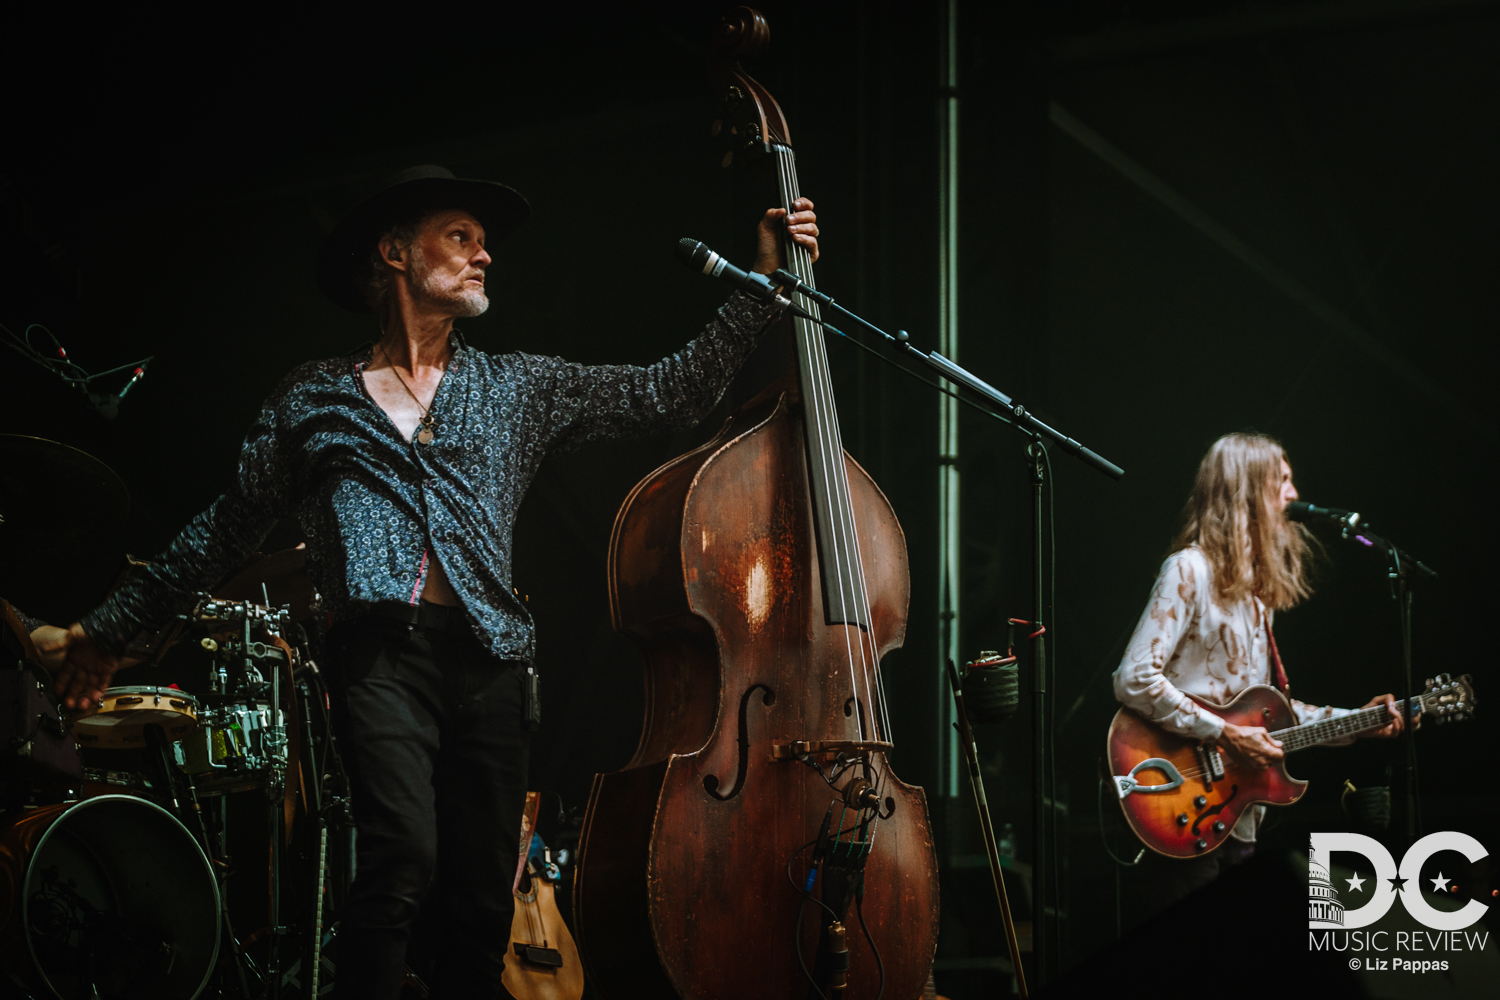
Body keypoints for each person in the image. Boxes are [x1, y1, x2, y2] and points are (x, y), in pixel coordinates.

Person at [38, 164, 819, 998]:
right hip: (379, 658)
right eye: (462, 237)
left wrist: (762, 283)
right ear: (395, 253)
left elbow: (670, 394)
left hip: (490, 664)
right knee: (401, 856)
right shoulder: (314, 398)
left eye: (486, 245)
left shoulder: (517, 385)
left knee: (481, 903)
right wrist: (106, 632)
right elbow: (228, 526)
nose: (484, 256)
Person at [1111, 431, 1407, 909]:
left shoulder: (1256, 598)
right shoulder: (1188, 571)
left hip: (1239, 816)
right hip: (1180, 800)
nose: (1294, 495)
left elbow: (1274, 715)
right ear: (1247, 490)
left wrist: (1361, 720)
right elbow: (1134, 678)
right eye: (1282, 481)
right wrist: (1224, 735)